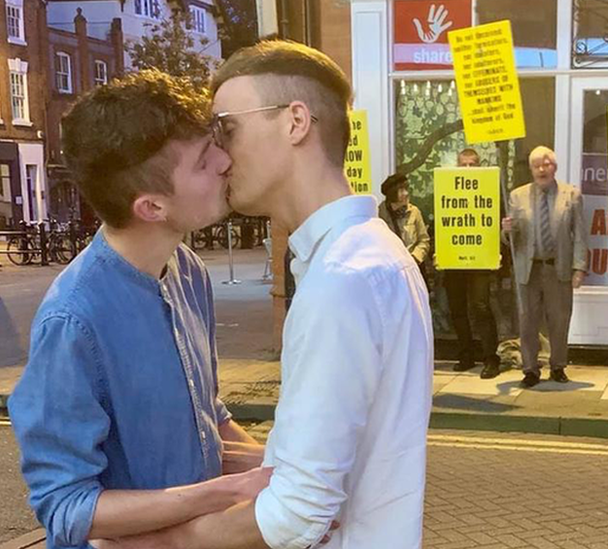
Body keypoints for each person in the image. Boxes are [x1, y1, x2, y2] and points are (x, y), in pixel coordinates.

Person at [113, 40, 434, 549]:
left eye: (227, 128)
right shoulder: (370, 256)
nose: (218, 155)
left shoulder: (342, 278)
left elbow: (298, 513)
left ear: (296, 122)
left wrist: (161, 543)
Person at [6, 70, 270, 549]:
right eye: (202, 162)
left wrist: (284, 471)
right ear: (151, 207)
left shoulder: (187, 270)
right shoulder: (72, 321)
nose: (226, 161)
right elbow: (67, 509)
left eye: (215, 143)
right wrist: (225, 493)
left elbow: (206, 417)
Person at [502, 146, 588, 388]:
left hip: (557, 268)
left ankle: (558, 366)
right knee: (527, 320)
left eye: (547, 164)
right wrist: (506, 231)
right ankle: (530, 369)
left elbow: (580, 234)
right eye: (537, 165)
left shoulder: (572, 195)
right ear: (531, 169)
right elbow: (510, 240)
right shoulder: (517, 196)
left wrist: (579, 268)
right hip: (528, 270)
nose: (542, 169)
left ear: (555, 167)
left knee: (559, 320)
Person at [441, 149, 502, 379]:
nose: (468, 169)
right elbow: (442, 220)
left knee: (481, 307)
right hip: (454, 257)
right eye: (463, 164)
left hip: (480, 258)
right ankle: (466, 354)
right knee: (457, 309)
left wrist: (498, 251)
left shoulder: (489, 190)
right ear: (457, 166)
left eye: (472, 164)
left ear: (479, 165)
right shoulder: (448, 189)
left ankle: (490, 358)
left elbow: (496, 222)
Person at [378, 173, 430, 274]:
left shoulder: (414, 212)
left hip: (413, 269)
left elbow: (424, 240)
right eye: (401, 190)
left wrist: (414, 258)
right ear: (392, 194)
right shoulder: (379, 216)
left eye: (406, 189)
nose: (406, 193)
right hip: (391, 271)